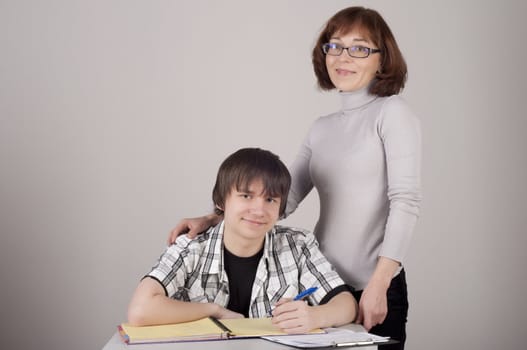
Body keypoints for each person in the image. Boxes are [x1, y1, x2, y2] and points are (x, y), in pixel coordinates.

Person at [167, 7, 421, 349]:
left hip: (372, 287)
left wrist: (379, 284)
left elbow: (405, 201)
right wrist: (213, 217)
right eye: (335, 46)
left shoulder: (392, 113)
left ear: (381, 58)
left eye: (360, 47)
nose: (343, 57)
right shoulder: (322, 128)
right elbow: (281, 200)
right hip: (322, 289)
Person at [128, 148, 357, 333]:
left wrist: (314, 316)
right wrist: (214, 311)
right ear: (221, 201)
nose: (259, 210)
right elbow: (140, 309)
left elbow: (346, 305)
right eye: (246, 196)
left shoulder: (298, 245)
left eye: (270, 199)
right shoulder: (190, 247)